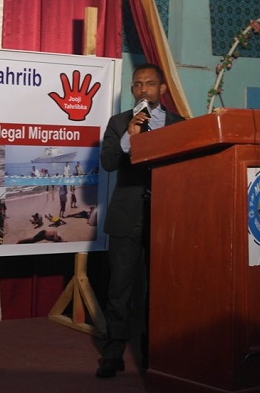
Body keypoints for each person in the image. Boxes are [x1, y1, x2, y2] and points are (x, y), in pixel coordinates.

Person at [96, 63, 185, 378]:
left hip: (166, 216)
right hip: (127, 216)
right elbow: (108, 163)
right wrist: (128, 138)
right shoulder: (119, 122)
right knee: (119, 289)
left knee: (159, 290)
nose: (142, 89)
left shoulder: (180, 124)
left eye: (149, 83)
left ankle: (154, 352)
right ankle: (114, 353)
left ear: (162, 88)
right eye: (137, 84)